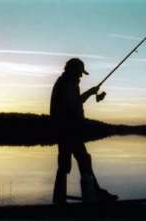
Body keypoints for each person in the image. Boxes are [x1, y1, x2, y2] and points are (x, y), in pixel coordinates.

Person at [50, 58, 117, 204]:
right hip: (68, 130)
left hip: (66, 129)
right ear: (73, 70)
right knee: (80, 161)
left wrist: (91, 93)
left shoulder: (67, 83)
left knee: (73, 162)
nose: (81, 76)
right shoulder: (67, 83)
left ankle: (60, 199)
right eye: (80, 73)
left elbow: (74, 102)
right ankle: (93, 194)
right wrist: (90, 92)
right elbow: (72, 103)